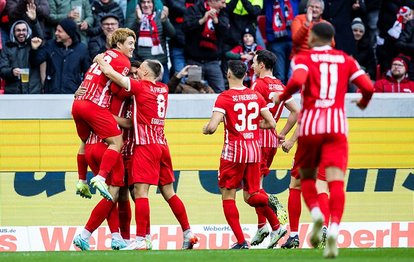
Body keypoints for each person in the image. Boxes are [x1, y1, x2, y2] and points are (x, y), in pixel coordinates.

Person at [274, 22, 374, 258]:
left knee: (302, 181)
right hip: (337, 127)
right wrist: (362, 103)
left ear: (314, 38)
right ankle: (334, 227)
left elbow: (297, 82)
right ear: (332, 39)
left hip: (310, 128)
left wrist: (283, 96)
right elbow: (368, 87)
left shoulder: (303, 59)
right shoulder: (346, 59)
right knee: (334, 183)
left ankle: (316, 216)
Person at [95, 57, 198, 250]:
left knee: (140, 192)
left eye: (140, 69)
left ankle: (141, 239)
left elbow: (110, 74)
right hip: (162, 145)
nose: (137, 72)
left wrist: (101, 59)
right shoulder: (164, 90)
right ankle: (188, 232)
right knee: (169, 193)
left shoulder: (141, 87)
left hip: (146, 145)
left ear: (146, 73)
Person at [203, 60, 278, 249]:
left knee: (228, 196)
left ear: (228, 74)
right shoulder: (255, 95)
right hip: (253, 151)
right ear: (245, 75)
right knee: (252, 194)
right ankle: (273, 212)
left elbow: (212, 127)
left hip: (233, 153)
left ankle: (241, 241)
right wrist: (254, 126)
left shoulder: (224, 97)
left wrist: (206, 128)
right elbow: (272, 123)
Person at [72, 28, 135, 204]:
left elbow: (91, 79)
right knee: (117, 142)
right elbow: (113, 84)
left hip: (78, 104)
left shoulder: (103, 56)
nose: (133, 47)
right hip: (95, 105)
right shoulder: (123, 61)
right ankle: (100, 177)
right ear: (119, 44)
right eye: (130, 43)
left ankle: (82, 180)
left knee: (84, 142)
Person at [248, 49, 300, 248]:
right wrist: (283, 132)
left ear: (262, 65)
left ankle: (275, 225)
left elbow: (252, 109)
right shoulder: (280, 85)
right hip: (271, 141)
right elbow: (297, 112)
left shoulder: (258, 84)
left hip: (257, 139)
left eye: (254, 63)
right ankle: (263, 226)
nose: (252, 66)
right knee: (253, 185)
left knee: (254, 188)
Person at [29, 18, 90, 94]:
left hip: (73, 93)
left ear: (69, 34)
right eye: (56, 30)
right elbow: (34, 62)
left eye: (60, 31)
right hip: (51, 93)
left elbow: (88, 72)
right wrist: (34, 49)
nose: (56, 33)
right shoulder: (50, 45)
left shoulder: (82, 49)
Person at [183, 0, 229, 93]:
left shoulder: (223, 12)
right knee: (193, 92)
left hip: (213, 62)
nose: (224, 6)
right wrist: (203, 20)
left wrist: (216, 21)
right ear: (212, 1)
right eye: (222, 2)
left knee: (220, 92)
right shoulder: (194, 9)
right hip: (194, 61)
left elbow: (226, 33)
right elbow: (186, 28)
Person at [0, 3, 43, 94]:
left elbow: (40, 38)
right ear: (13, 32)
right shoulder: (7, 47)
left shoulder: (32, 45)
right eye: (18, 30)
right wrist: (12, 72)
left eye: (24, 30)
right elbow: (2, 69)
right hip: (14, 92)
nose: (21, 33)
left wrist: (34, 21)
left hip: (33, 91)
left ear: (28, 32)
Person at [131, 0, 175, 83]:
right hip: (143, 64)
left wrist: (164, 21)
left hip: (161, 63)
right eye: (143, 2)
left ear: (153, 4)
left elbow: (172, 34)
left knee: (165, 89)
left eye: (149, 2)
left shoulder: (160, 16)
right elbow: (129, 35)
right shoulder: (135, 17)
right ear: (139, 5)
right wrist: (138, 21)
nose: (146, 5)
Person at [263, 0, 300, 84]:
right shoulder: (269, 2)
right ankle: (281, 96)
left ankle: (291, 96)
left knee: (292, 75)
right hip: (275, 41)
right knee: (280, 76)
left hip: (293, 40)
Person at [351, 17, 376, 81]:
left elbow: (371, 64)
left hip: (361, 75)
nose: (358, 33)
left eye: (361, 31)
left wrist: (368, 73)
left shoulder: (368, 47)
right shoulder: (344, 45)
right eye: (355, 30)